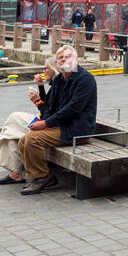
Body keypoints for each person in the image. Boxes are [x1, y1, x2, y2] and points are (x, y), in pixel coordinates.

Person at [17, 44, 99, 195]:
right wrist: (43, 120)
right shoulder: (59, 79)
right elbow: (50, 105)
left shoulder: (85, 79)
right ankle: (39, 174)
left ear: (76, 59)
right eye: (60, 57)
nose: (64, 59)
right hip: (60, 126)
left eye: (68, 56)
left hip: (77, 129)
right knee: (23, 140)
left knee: (33, 139)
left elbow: (73, 108)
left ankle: (43, 177)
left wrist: (46, 123)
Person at [0, 56, 61, 185]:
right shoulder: (55, 84)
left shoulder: (60, 85)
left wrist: (37, 101)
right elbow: (48, 106)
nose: (43, 71)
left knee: (13, 121)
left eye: (46, 68)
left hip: (49, 125)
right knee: (13, 132)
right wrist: (41, 87)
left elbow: (47, 113)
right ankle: (14, 173)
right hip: (47, 122)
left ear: (54, 69)